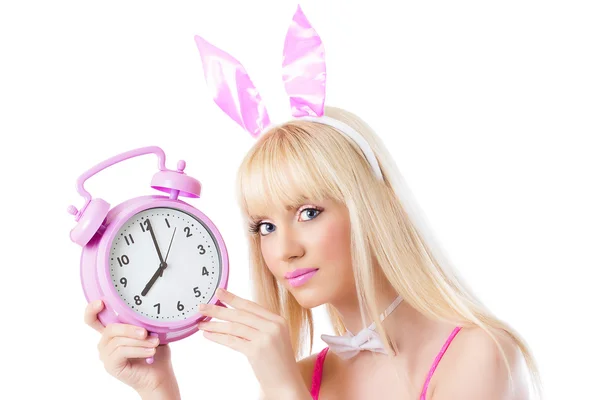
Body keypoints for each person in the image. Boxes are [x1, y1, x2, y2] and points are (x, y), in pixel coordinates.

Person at [83, 5, 541, 400]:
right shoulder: (306, 377)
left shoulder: (479, 353)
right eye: (264, 226)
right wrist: (158, 388)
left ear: (370, 208)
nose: (284, 250)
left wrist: (283, 389)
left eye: (308, 212)